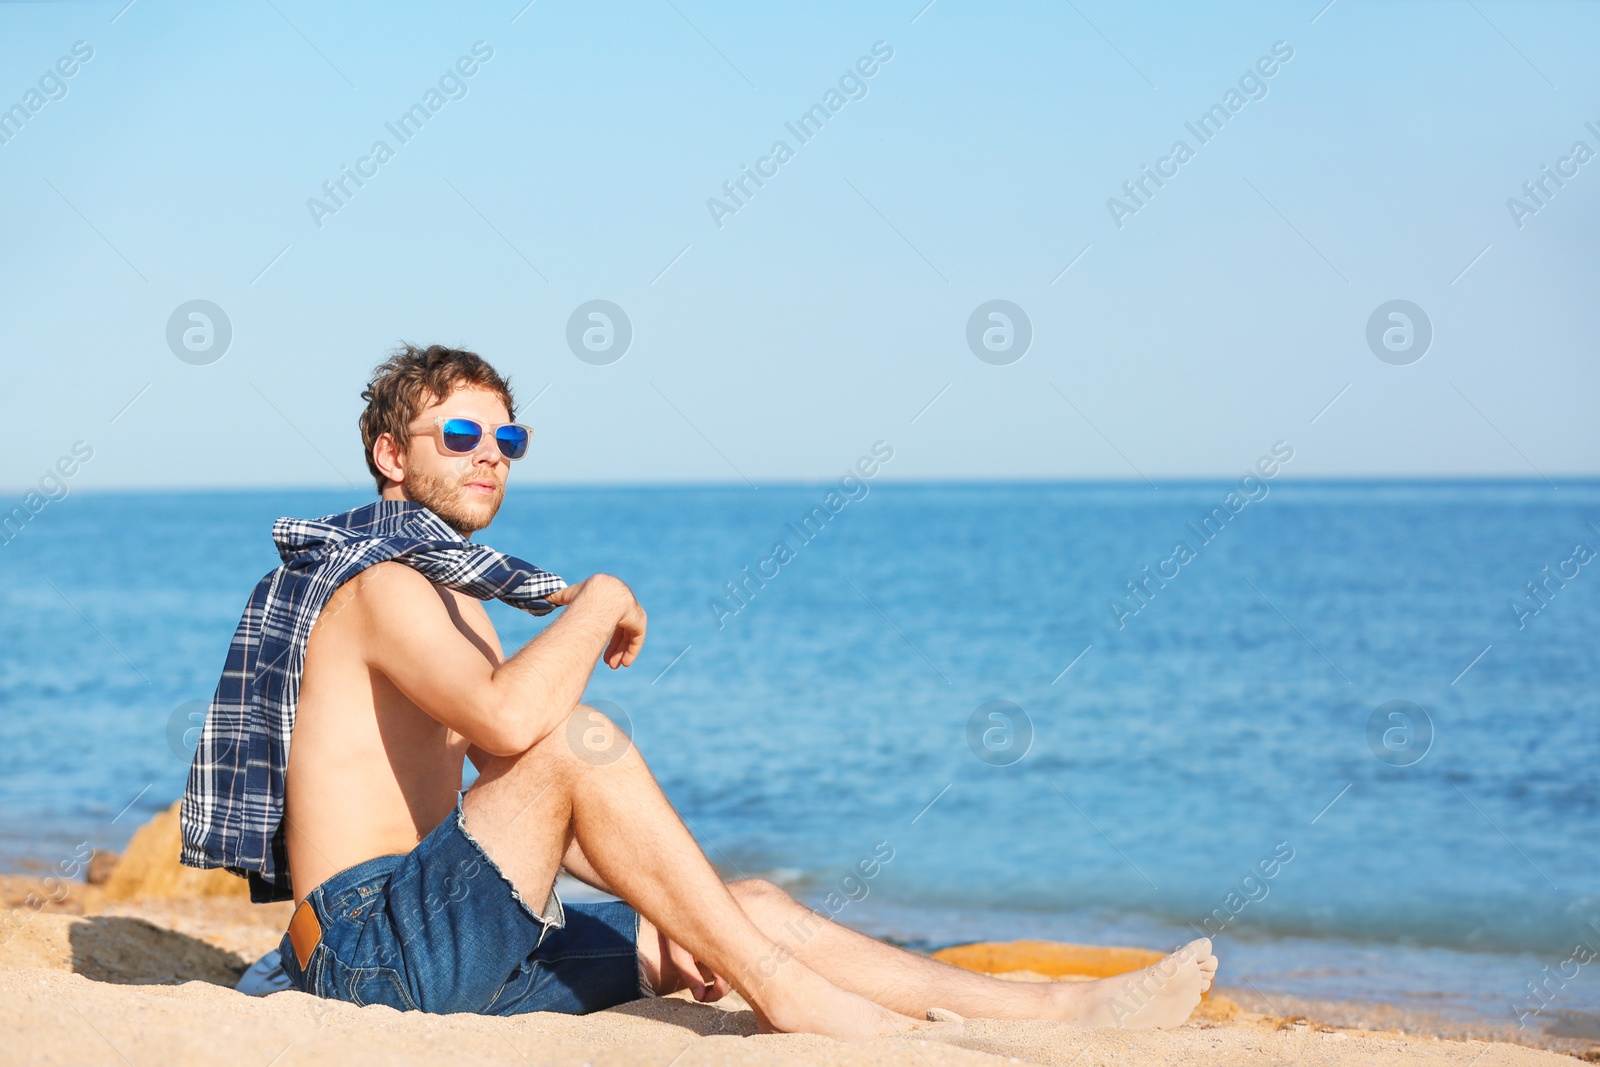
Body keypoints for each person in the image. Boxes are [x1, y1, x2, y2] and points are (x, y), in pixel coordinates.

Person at [180, 344, 1217, 1040]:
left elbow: (517, 791)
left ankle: (1049, 1010)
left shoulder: (453, 597)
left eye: (507, 438)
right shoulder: (382, 580)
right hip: (377, 955)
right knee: (579, 734)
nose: (489, 456)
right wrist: (599, 600)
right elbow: (514, 726)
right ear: (389, 453)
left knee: (743, 906)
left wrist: (686, 906)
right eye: (459, 436)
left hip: (454, 939)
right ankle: (789, 995)